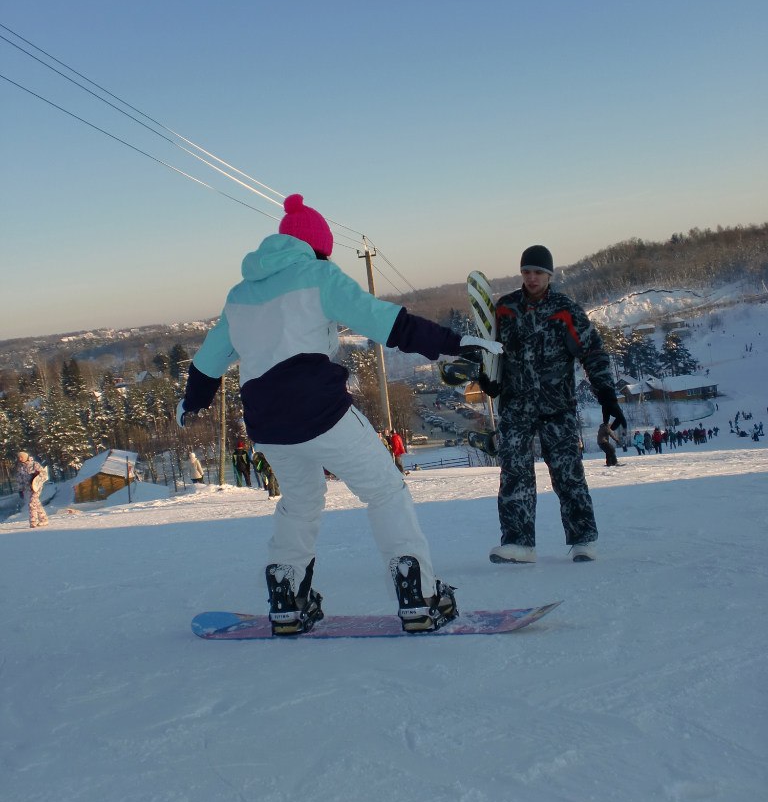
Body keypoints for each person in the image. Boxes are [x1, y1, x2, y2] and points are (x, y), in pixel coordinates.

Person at [177, 193, 501, 634]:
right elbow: (385, 321)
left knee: (301, 501)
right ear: (317, 247)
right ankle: (419, 595)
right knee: (385, 489)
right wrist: (452, 342)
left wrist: (191, 402)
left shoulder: (240, 295)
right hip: (320, 410)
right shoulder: (318, 275)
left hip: (267, 423)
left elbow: (208, 362)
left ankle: (287, 595)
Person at [477, 245, 626, 564]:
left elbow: (593, 352)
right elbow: (488, 350)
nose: (532, 278)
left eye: (538, 273)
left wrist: (606, 394)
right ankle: (519, 542)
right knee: (514, 472)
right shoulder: (505, 309)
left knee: (567, 472)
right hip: (516, 405)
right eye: (527, 272)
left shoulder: (565, 310)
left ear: (549, 275)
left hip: (556, 406)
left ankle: (584, 539)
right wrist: (487, 377)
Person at [16, 451, 49, 528]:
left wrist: (37, 475)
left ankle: (33, 522)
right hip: (28, 488)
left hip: (36, 487)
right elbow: (19, 479)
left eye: (21, 457)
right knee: (36, 503)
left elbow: (44, 474)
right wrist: (20, 490)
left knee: (32, 503)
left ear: (25, 457)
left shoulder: (34, 464)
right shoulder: (20, 467)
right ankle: (44, 519)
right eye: (19, 457)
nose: (20, 459)